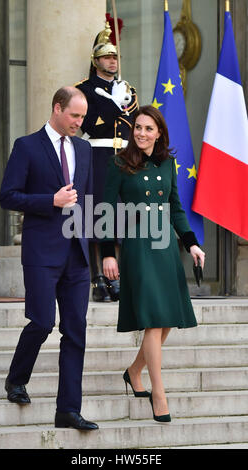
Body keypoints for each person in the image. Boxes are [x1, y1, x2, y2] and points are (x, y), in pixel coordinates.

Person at [0, 86, 98, 431]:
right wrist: (50, 201)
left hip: (77, 255)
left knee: (76, 331)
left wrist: (96, 255)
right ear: (57, 108)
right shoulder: (26, 146)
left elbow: (87, 200)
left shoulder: (84, 149)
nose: (79, 122)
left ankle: (68, 410)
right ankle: (16, 379)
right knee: (42, 322)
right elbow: (7, 196)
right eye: (75, 115)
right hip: (41, 252)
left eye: (82, 117)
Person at [102, 105, 205, 422]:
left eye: (149, 128)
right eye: (138, 128)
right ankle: (158, 393)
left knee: (167, 319)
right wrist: (108, 252)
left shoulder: (168, 164)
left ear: (159, 132)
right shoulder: (119, 163)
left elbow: (176, 208)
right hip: (138, 247)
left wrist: (191, 244)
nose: (142, 133)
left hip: (165, 248)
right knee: (154, 319)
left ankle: (134, 371)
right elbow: (106, 209)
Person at [75, 21, 139, 302]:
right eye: (106, 57)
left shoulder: (128, 90)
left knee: (126, 213)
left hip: (125, 156)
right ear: (95, 61)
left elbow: (133, 124)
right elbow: (92, 125)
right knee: (99, 213)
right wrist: (113, 104)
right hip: (99, 155)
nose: (112, 61)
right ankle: (99, 278)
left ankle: (122, 275)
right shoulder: (85, 90)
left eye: (115, 57)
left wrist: (117, 100)